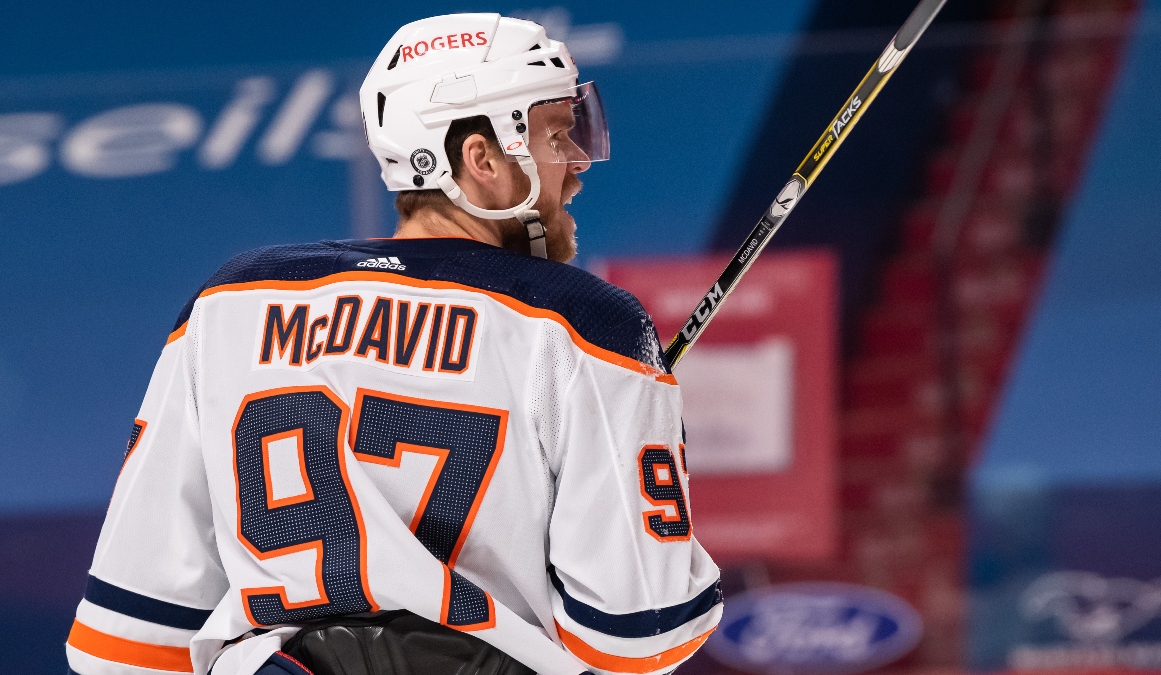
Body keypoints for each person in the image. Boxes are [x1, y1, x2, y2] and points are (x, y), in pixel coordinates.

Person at [64, 13, 721, 675]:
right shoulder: (585, 327)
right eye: (557, 136)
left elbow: (124, 638)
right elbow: (640, 637)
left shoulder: (231, 301)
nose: (577, 165)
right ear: (483, 158)